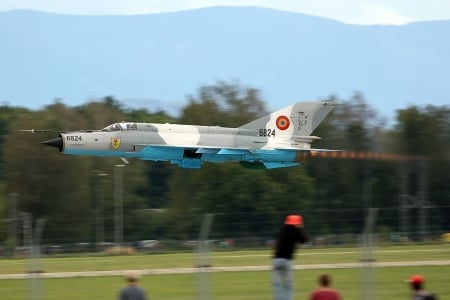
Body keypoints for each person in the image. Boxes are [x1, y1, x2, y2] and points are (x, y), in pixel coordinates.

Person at [272, 214, 309, 300]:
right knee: (288, 285)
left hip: (276, 260)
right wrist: (301, 228)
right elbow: (305, 240)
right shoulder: (296, 232)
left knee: (276, 285)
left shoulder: (282, 231)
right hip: (287, 261)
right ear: (297, 223)